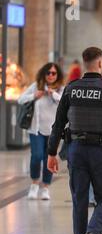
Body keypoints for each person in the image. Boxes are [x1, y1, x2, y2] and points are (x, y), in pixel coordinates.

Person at [47, 47, 102, 234]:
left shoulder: (71, 89)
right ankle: (94, 233)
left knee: (79, 201)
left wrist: (52, 153)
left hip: (76, 150)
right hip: (100, 151)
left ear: (84, 64)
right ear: (100, 64)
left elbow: (59, 123)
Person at [18, 63, 65, 201]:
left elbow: (65, 102)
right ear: (43, 74)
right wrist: (34, 95)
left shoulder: (61, 89)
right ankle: (34, 184)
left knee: (48, 159)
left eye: (53, 73)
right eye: (48, 73)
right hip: (36, 129)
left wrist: (54, 94)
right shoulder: (36, 86)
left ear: (57, 75)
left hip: (53, 131)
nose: (50, 75)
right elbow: (20, 99)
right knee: (37, 156)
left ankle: (45, 187)